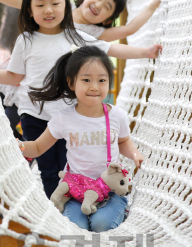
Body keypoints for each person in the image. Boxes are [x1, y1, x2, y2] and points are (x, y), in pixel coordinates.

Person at [0, 0, 160, 199]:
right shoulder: (26, 40)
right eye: (40, 5)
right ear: (30, 10)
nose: (48, 10)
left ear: (65, 6)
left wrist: (146, 53)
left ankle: (74, 209)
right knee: (48, 170)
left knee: (67, 169)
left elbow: (112, 50)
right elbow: (13, 77)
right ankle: (56, 213)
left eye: (55, 4)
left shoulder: (75, 37)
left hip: (67, 117)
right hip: (34, 115)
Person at [17, 46, 145, 231]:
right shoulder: (64, 119)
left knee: (102, 224)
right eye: (86, 80)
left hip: (109, 191)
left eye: (101, 80)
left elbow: (123, 142)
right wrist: (18, 146)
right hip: (76, 192)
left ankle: (116, 214)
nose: (94, 87)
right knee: (75, 227)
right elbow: (37, 147)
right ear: (71, 83)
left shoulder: (117, 116)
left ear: (109, 82)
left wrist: (135, 154)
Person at [0, 0, 163, 42]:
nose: (98, 5)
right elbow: (26, 2)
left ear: (107, 20)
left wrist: (154, 4)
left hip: (45, 83)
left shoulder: (97, 33)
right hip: (26, 61)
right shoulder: (62, 7)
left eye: (107, 7)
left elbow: (129, 29)